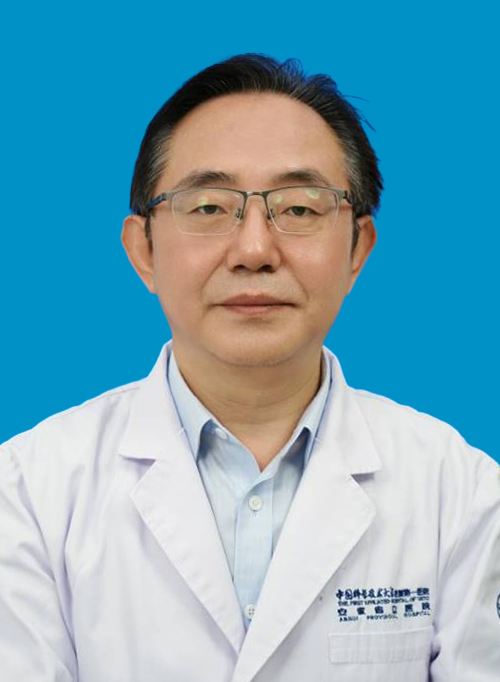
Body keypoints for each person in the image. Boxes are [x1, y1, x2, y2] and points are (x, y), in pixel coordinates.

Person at [0, 54, 498, 682]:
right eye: (209, 208)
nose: (255, 250)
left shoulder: (462, 494)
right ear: (143, 250)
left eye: (300, 209)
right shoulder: (26, 493)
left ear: (357, 249)